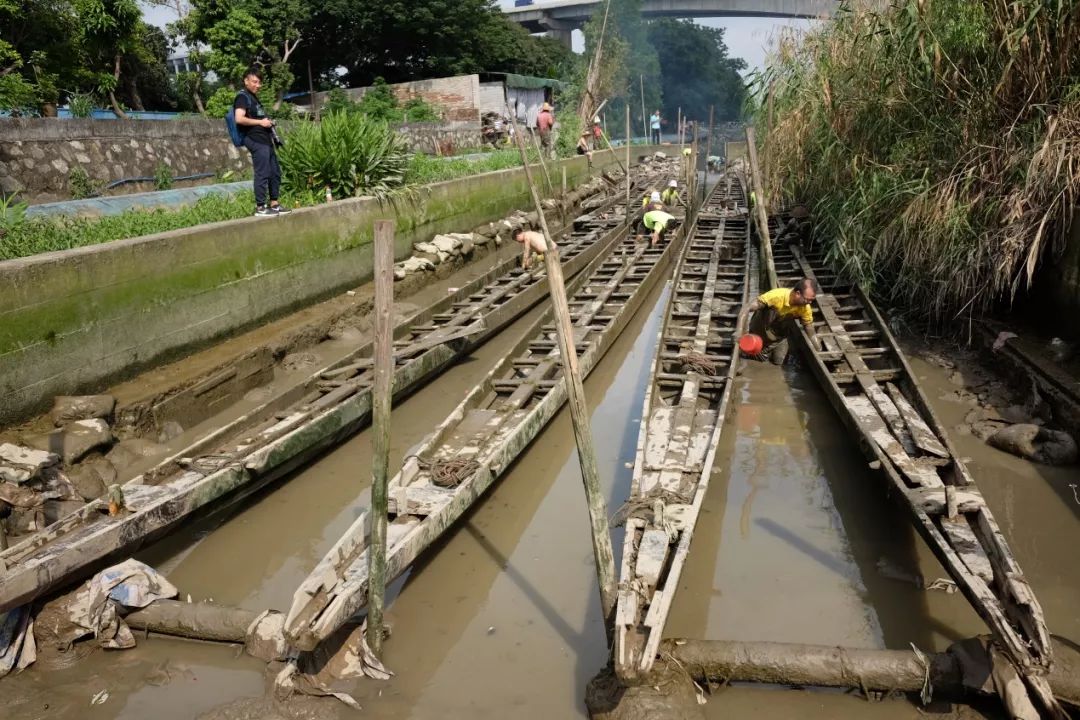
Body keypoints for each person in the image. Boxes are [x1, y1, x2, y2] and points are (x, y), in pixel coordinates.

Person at [233, 67, 290, 217]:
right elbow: (239, 118)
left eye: (259, 82)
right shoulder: (242, 97)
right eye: (255, 82)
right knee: (262, 173)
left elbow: (258, 118)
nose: (258, 85)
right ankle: (260, 207)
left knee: (275, 172)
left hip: (265, 141)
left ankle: (274, 204)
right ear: (246, 81)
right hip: (255, 140)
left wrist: (267, 122)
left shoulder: (254, 98)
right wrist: (260, 122)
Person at [736, 278, 820, 365]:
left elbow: (810, 329)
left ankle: (770, 350)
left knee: (779, 361)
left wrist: (818, 349)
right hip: (759, 331)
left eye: (811, 300)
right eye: (807, 299)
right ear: (798, 294)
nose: (809, 302)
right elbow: (747, 308)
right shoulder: (776, 296)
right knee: (757, 356)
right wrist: (739, 330)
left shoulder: (805, 308)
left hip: (778, 337)